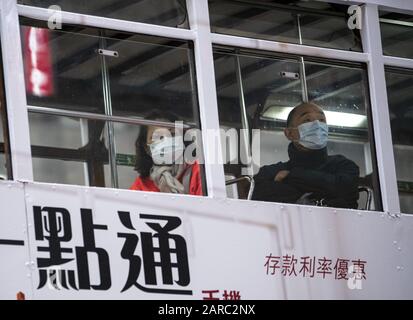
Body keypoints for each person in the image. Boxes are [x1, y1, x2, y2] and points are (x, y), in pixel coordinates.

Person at [252, 102, 360, 209]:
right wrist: (324, 190)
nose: (317, 125)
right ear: (289, 133)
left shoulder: (344, 166)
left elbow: (345, 192)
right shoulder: (267, 173)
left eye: (322, 120)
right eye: (307, 120)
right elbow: (258, 201)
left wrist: (292, 176)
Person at [130, 110, 203, 196]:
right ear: (146, 148)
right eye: (157, 136)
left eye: (172, 134)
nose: (166, 141)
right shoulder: (141, 185)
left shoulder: (199, 170)